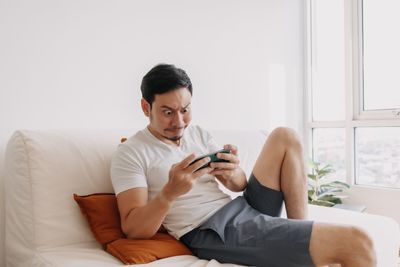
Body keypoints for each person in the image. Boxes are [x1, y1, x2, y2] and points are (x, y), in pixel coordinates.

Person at [110, 64, 376, 267]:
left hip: (240, 208)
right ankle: (300, 243)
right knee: (357, 242)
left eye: (185, 109)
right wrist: (170, 193)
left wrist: (232, 172)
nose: (179, 121)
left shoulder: (198, 133)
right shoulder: (131, 153)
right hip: (211, 230)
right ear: (146, 107)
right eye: (168, 112)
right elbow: (132, 228)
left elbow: (240, 186)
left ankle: (298, 232)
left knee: (285, 135)